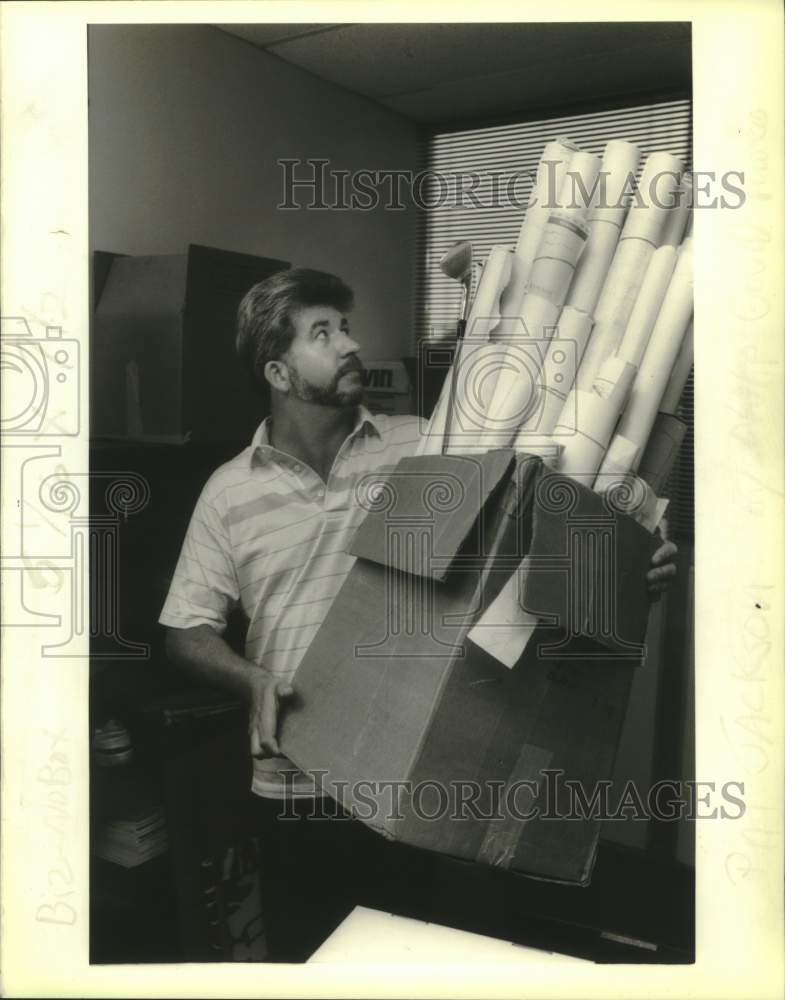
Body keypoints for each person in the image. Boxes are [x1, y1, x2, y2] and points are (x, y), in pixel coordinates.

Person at [160, 267, 678, 960]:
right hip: (297, 777)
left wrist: (623, 564)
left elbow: (531, 548)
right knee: (311, 958)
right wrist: (251, 680)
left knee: (424, 957)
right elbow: (185, 629)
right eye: (324, 333)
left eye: (345, 327)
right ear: (278, 372)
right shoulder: (228, 492)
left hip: (423, 768)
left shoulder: (422, 448)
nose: (349, 345)